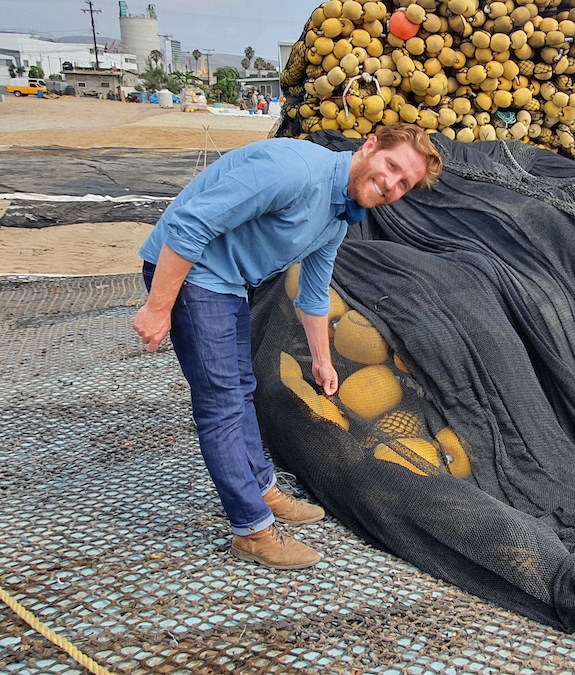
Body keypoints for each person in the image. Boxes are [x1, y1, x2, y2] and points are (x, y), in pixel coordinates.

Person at [133, 125, 443, 570]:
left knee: (242, 389)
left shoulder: (341, 213)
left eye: (404, 183)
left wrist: (321, 360)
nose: (392, 184)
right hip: (193, 272)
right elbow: (189, 222)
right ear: (370, 145)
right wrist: (159, 307)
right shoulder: (296, 172)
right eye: (392, 166)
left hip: (228, 281)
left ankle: (263, 490)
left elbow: (315, 293)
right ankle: (252, 530)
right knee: (220, 403)